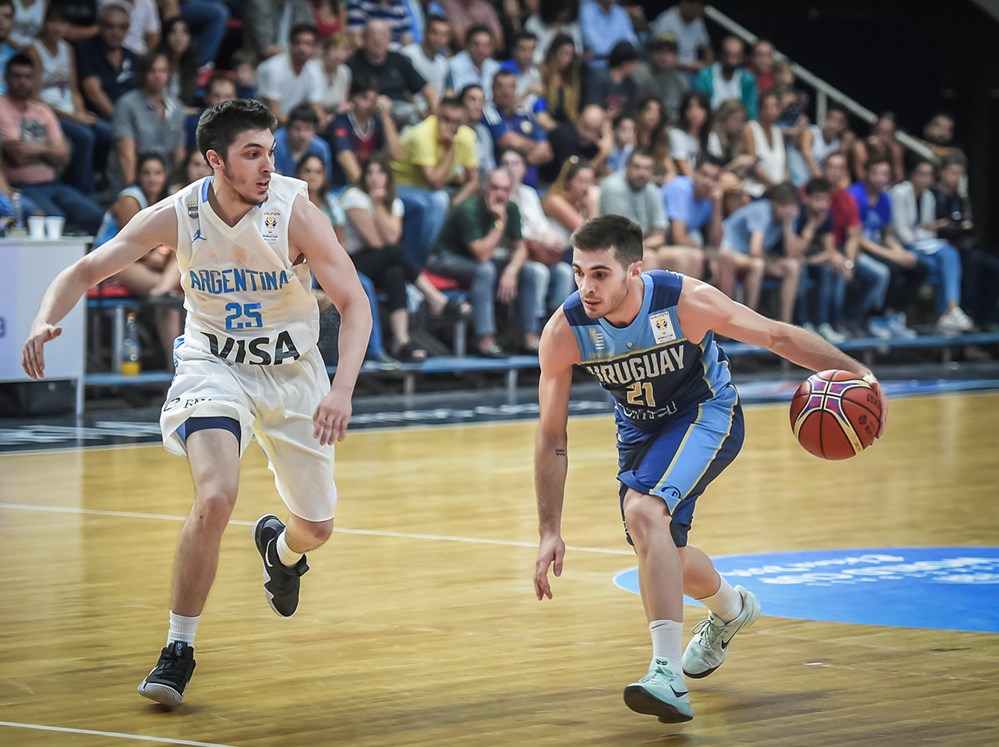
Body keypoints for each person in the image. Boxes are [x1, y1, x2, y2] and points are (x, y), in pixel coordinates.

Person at [21, 98, 372, 707]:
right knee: (215, 495)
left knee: (316, 527)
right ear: (215, 161)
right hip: (214, 366)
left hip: (294, 377)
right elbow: (83, 272)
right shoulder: (179, 214)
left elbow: (355, 302)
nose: (268, 165)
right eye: (252, 154)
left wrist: (341, 390)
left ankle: (279, 552)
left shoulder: (294, 213)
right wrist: (41, 321)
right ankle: (178, 648)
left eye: (270, 151)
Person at [533, 213, 886, 724]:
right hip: (640, 432)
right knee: (664, 554)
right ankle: (730, 608)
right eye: (578, 272)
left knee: (643, 510)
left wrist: (861, 374)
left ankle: (666, 674)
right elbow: (551, 436)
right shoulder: (565, 331)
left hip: (706, 414)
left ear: (635, 270)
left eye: (600, 274)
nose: (586, 287)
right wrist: (549, 529)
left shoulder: (686, 302)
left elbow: (776, 337)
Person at [343, 152, 471, 360]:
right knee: (395, 253)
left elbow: (391, 238)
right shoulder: (354, 197)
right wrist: (376, 205)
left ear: (388, 177)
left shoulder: (395, 203)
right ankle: (435, 299)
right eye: (370, 173)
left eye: (380, 173)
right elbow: (376, 242)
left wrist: (379, 206)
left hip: (382, 260)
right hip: (353, 261)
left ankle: (401, 341)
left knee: (396, 273)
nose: (374, 177)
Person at [92, 151, 182, 367]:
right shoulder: (129, 199)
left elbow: (171, 242)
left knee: (181, 260)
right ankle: (162, 290)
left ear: (165, 175)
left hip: (143, 264)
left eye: (157, 173)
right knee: (170, 299)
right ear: (138, 176)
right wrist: (157, 254)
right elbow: (132, 245)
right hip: (110, 264)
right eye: (146, 173)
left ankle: (176, 371)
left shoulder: (165, 201)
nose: (152, 178)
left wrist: (161, 253)